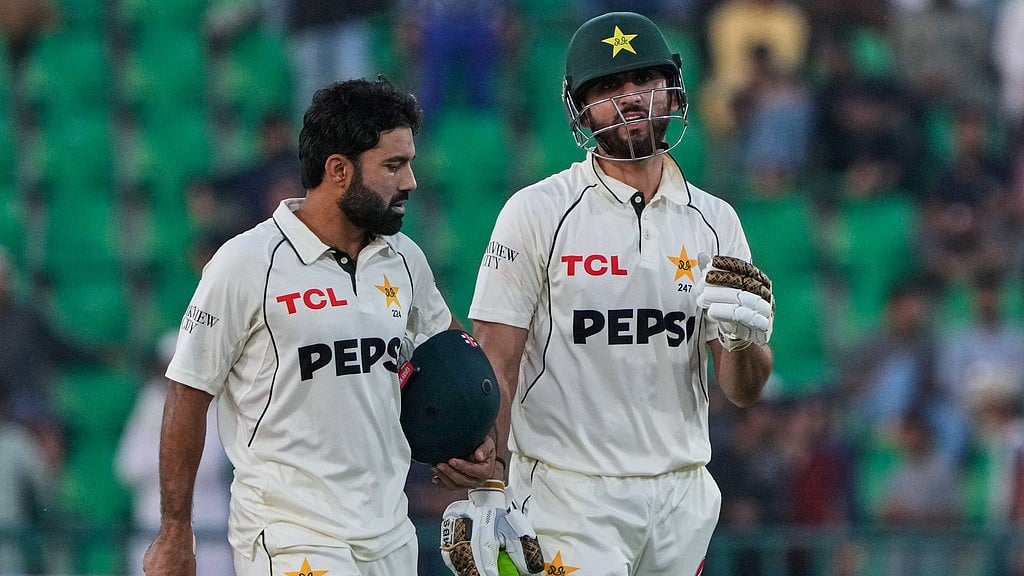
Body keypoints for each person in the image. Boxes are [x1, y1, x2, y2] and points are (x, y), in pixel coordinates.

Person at [142, 77, 497, 576]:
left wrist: (476, 444)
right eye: (393, 166)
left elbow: (450, 353)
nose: (410, 181)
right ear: (338, 170)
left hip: (389, 533)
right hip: (290, 534)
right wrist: (175, 531)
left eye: (410, 163)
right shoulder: (246, 263)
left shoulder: (405, 259)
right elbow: (187, 392)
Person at [464, 12, 774, 575]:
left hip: (682, 497)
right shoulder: (537, 213)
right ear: (580, 107)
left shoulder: (715, 222)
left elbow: (742, 388)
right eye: (607, 87)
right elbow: (496, 363)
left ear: (673, 92)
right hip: (569, 495)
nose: (630, 98)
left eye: (644, 81)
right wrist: (490, 484)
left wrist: (743, 341)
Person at [116, 331, 232, 576]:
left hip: (209, 517)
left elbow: (210, 462)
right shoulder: (150, 401)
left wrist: (162, 457)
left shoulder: (214, 402)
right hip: (154, 517)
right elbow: (128, 466)